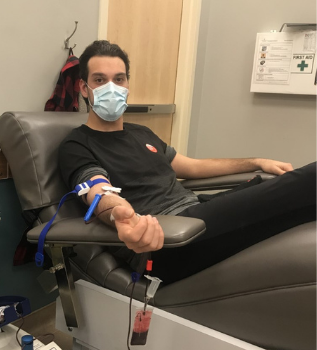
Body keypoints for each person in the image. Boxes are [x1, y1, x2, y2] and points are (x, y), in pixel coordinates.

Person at [59, 40, 316, 284]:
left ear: (127, 84)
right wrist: (122, 216)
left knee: (272, 185)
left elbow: (192, 166)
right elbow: (97, 190)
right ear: (84, 88)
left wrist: (257, 161)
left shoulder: (141, 133)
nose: (111, 87)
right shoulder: (77, 144)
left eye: (119, 79)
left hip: (196, 214)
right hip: (165, 240)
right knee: (308, 181)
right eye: (100, 80)